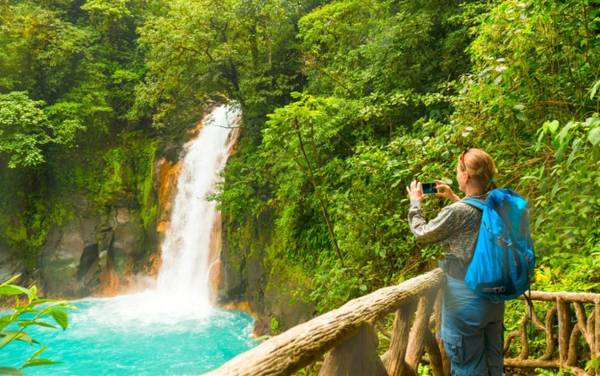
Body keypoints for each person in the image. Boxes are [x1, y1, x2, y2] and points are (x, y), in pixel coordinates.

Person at [406, 148, 504, 376]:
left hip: (465, 300)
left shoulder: (458, 212)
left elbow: (422, 233)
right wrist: (454, 198)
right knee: (493, 365)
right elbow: (476, 220)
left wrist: (415, 203)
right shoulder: (495, 202)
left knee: (468, 367)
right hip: (495, 298)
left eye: (458, 170)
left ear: (466, 175)